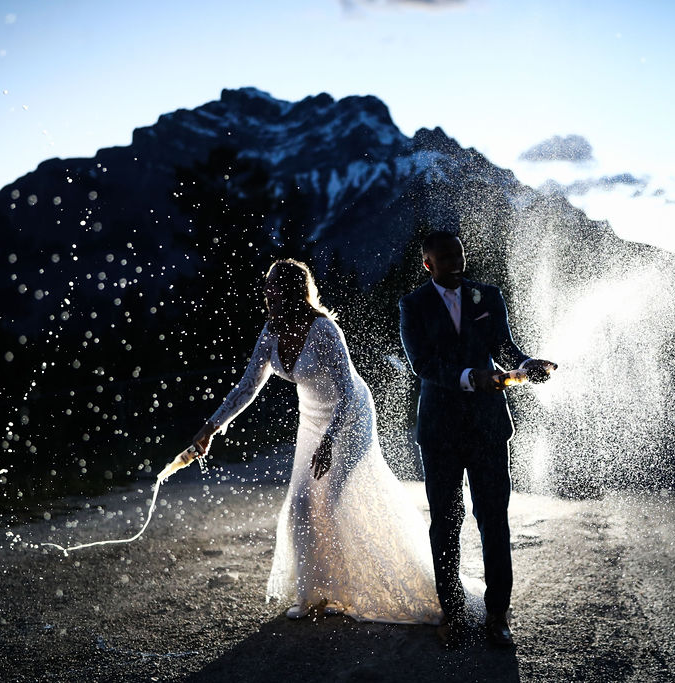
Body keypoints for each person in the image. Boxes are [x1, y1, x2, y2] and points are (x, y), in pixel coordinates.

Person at [191, 259, 452, 624]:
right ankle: (314, 593)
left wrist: (330, 441)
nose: (268, 292)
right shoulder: (271, 331)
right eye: (267, 286)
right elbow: (248, 386)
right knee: (301, 503)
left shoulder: (324, 329)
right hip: (312, 418)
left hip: (350, 414)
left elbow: (347, 390)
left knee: (332, 499)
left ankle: (349, 590)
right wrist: (209, 429)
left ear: (294, 291)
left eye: (275, 286)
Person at [398, 231, 556, 649]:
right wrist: (473, 378)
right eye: (445, 256)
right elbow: (423, 365)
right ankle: (451, 613)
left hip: (488, 428)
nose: (455, 261)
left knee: (493, 519)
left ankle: (497, 614)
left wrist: (526, 364)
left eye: (459, 254)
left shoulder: (488, 296)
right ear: (427, 262)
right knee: (446, 523)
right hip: (440, 432)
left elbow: (503, 344)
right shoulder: (412, 306)